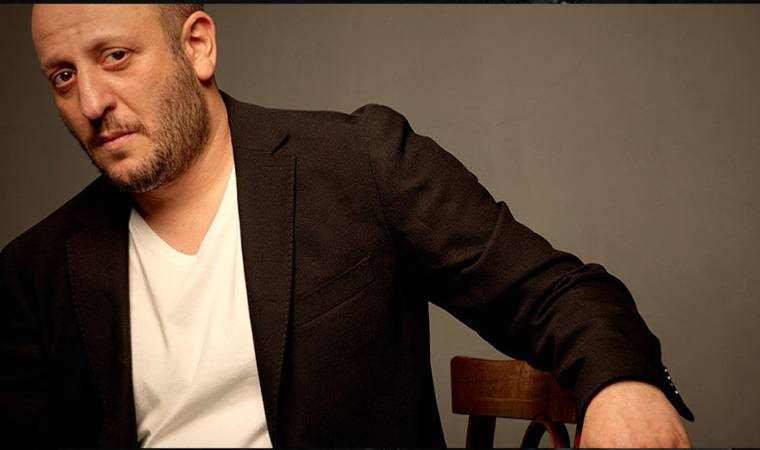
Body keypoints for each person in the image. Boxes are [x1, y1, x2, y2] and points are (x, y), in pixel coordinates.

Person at [0, 3, 694, 447]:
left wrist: (622, 385)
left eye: (114, 57)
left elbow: (554, 294)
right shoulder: (35, 272)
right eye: (62, 77)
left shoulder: (361, 163)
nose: (90, 102)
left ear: (198, 46)